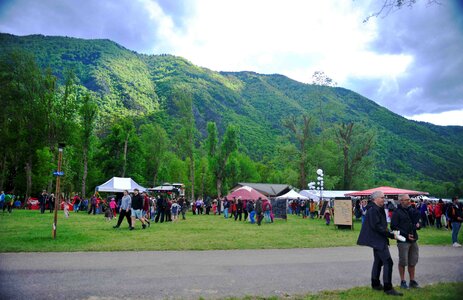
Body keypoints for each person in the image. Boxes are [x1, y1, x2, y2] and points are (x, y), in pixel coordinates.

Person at [357, 191, 403, 296]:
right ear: (375, 199)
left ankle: (375, 284)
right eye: (382, 197)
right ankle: (388, 288)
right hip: (377, 240)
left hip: (378, 239)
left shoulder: (376, 209)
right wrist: (391, 235)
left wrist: (389, 234)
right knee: (388, 262)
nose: (384, 199)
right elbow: (377, 227)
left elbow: (380, 226)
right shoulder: (373, 210)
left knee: (378, 262)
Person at [391, 194, 421, 289]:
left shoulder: (412, 210)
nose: (408, 201)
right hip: (403, 240)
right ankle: (403, 281)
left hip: (414, 239)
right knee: (403, 261)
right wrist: (405, 235)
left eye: (409, 199)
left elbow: (419, 221)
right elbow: (393, 227)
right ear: (401, 201)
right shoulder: (396, 212)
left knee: (412, 261)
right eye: (406, 200)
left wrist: (419, 225)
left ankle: (412, 281)